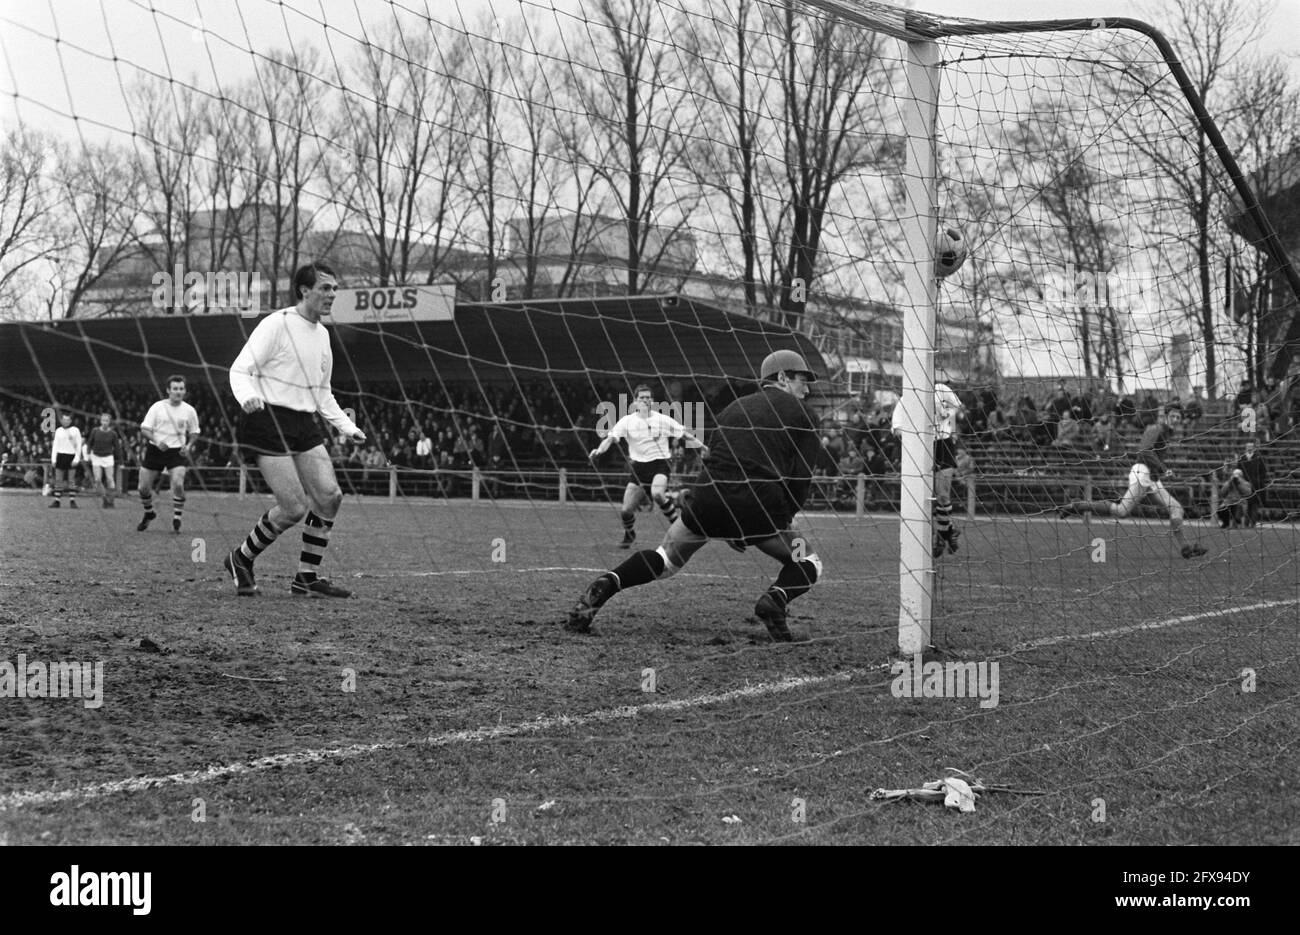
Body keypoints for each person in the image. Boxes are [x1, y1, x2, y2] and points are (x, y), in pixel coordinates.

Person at [566, 350, 823, 642]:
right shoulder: (806, 416)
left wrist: (711, 507)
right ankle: (774, 601)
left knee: (666, 559)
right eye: (803, 379)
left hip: (709, 498)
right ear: (781, 377)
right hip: (759, 505)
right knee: (809, 562)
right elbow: (801, 478)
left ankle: (607, 583)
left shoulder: (732, 408)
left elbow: (715, 459)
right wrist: (780, 520)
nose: (807, 387)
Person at [224, 261, 368, 597]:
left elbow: (323, 393)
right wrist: (248, 397)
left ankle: (306, 577)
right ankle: (240, 558)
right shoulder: (277, 324)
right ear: (304, 291)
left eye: (334, 288)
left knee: (330, 496)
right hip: (266, 419)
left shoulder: (323, 336)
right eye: (325, 288)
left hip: (303, 422)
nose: (332, 294)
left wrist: (348, 427)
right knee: (293, 507)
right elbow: (240, 369)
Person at [1059, 411, 1207, 559]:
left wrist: (1162, 471)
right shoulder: (1155, 428)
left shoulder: (1166, 433)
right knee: (1121, 511)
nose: (1175, 419)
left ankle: (1185, 548)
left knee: (1176, 508)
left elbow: (1153, 454)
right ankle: (1078, 505)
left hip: (1152, 478)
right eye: (1173, 416)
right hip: (1142, 474)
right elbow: (1144, 451)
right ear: (1165, 416)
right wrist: (1163, 468)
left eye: (1178, 417)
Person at [588, 384, 708, 549]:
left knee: (657, 493)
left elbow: (685, 434)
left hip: (660, 464)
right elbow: (610, 439)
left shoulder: (662, 419)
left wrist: (703, 447)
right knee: (626, 511)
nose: (645, 400)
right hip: (638, 468)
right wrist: (598, 451)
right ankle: (630, 534)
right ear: (635, 401)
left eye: (648, 397)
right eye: (641, 397)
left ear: (652, 401)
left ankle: (678, 526)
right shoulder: (627, 421)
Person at [892, 379, 964, 559]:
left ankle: (940, 535)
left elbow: (959, 409)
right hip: (921, 448)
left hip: (944, 445)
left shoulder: (941, 389)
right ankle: (948, 531)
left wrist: (948, 416)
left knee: (942, 493)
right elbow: (896, 427)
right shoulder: (906, 399)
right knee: (923, 497)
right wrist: (912, 436)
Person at [136, 375, 201, 532]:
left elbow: (195, 432)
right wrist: (157, 441)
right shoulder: (157, 407)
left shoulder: (189, 410)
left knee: (178, 483)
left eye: (181, 389)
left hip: (177, 451)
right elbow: (144, 429)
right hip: (156, 449)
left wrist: (189, 445)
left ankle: (177, 519)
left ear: (184, 391)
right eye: (175, 389)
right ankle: (149, 513)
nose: (178, 392)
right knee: (143, 488)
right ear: (168, 390)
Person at [83, 412, 122, 508]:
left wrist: (121, 461)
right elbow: (89, 443)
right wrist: (88, 454)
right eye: (103, 420)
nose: (105, 422)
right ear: (100, 421)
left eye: (107, 421)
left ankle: (111, 501)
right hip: (96, 457)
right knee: (97, 479)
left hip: (108, 457)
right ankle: (104, 498)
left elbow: (117, 447)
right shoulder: (95, 431)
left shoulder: (113, 433)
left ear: (109, 422)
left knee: (110, 479)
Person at [48, 412, 83, 509]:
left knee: (71, 480)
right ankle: (57, 501)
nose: (66, 421)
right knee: (58, 480)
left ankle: (72, 501)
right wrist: (53, 459)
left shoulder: (75, 430)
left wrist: (77, 458)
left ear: (71, 421)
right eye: (64, 419)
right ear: (62, 420)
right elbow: (55, 445)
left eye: (68, 420)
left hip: (71, 456)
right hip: (60, 456)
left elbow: (79, 446)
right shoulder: (58, 430)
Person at [1238, 440, 1269, 527]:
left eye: (1251, 446)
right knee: (1245, 505)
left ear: (1254, 448)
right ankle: (1245, 523)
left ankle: (1253, 523)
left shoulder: (1259, 459)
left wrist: (1257, 481)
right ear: (1246, 448)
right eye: (1248, 446)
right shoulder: (1241, 459)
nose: (1250, 448)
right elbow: (1238, 471)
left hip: (1256, 486)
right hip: (1244, 486)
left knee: (1254, 505)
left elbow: (1263, 472)